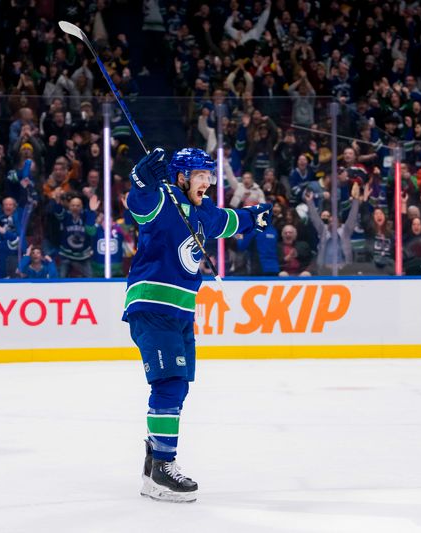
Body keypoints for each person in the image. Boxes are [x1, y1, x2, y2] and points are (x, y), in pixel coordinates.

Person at [124, 147, 271, 503]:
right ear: (181, 177)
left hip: (181, 313)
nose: (207, 182)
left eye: (209, 175)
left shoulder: (203, 213)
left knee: (178, 389)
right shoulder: (163, 200)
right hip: (154, 305)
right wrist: (141, 180)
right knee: (170, 385)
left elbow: (227, 222)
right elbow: (139, 203)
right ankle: (162, 470)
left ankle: (153, 460)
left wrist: (253, 216)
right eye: (201, 175)